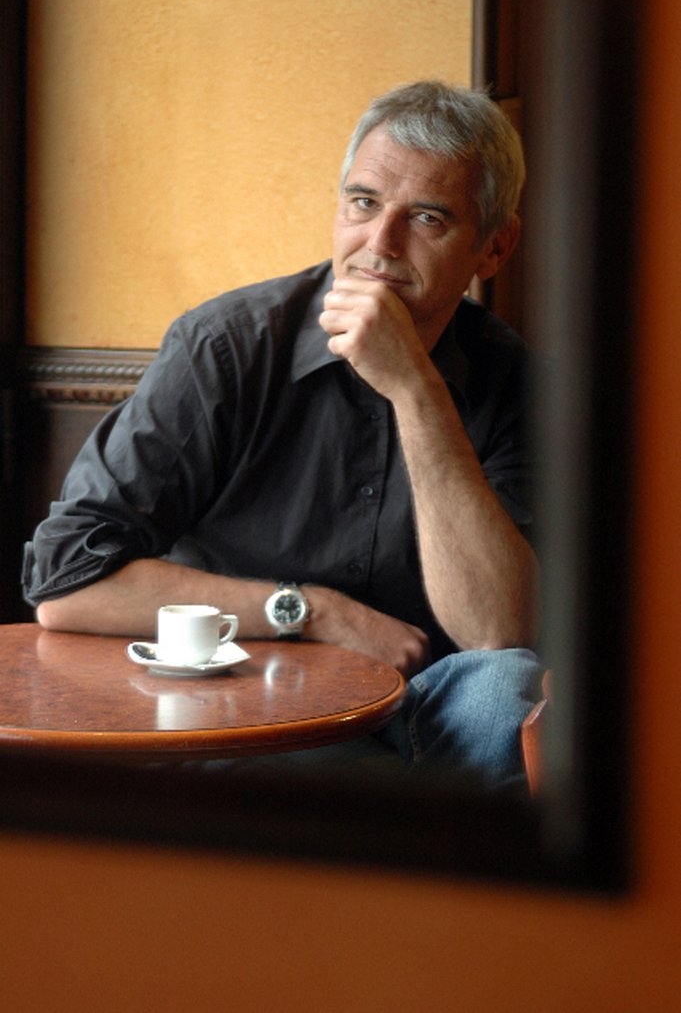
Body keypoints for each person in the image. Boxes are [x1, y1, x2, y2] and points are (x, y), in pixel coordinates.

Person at [22, 81, 543, 790]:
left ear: (494, 247)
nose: (380, 245)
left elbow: (497, 630)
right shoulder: (226, 347)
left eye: (427, 218)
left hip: (433, 704)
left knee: (505, 688)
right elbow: (66, 581)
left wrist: (416, 390)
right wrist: (309, 610)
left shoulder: (516, 380)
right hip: (253, 691)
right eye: (363, 203)